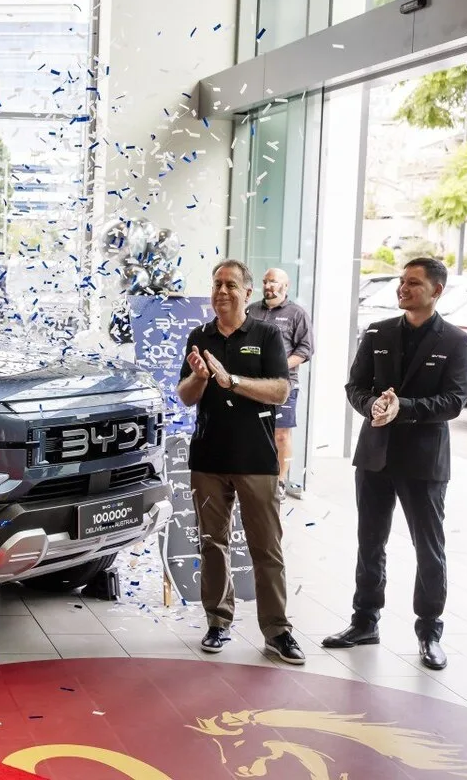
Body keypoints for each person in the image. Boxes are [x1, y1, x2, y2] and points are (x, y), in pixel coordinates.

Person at [323, 257, 467, 671]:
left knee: (429, 548)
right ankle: (364, 621)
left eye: (413, 283)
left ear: (436, 291)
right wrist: (374, 406)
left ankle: (429, 631)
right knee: (370, 542)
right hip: (375, 455)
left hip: (423, 462)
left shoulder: (457, 343)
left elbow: (453, 402)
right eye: (402, 282)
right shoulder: (378, 332)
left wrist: (401, 408)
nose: (402, 288)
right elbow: (355, 386)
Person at [176, 259, 305, 665]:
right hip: (209, 457)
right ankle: (218, 621)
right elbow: (185, 395)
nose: (222, 291)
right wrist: (199, 376)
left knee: (266, 547)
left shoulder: (266, 335)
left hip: (256, 459)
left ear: (247, 292)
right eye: (217, 284)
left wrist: (232, 381)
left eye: (231, 285)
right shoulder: (200, 335)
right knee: (212, 543)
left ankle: (277, 632)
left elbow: (281, 391)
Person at [245, 268, 314, 501]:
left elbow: (306, 349)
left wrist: (279, 365)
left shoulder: (297, 313)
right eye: (265, 282)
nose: (268, 286)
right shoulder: (251, 311)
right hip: (252, 384)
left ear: (285, 286)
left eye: (273, 282)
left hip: (284, 385)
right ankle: (254, 477)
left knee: (281, 435)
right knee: (252, 432)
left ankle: (281, 482)